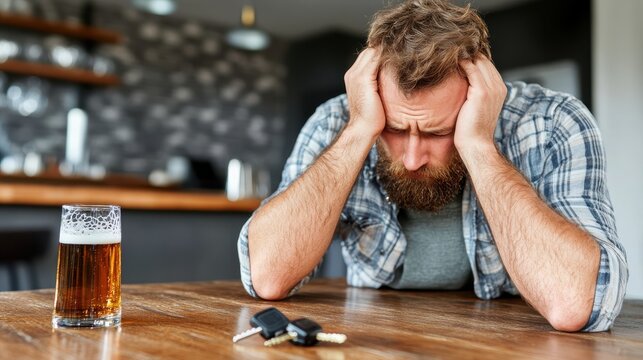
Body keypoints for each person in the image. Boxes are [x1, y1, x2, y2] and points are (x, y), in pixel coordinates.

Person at [236, 0, 628, 332]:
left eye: (438, 133)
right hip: (371, 337)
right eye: (393, 128)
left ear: (480, 94)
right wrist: (359, 130)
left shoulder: (554, 123)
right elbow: (267, 276)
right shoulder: (338, 121)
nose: (411, 158)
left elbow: (578, 303)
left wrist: (478, 144)